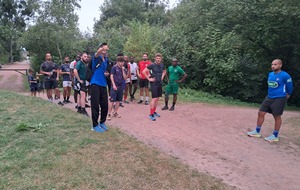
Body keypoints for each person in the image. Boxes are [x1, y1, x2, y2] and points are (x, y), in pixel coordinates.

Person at [247, 59, 293, 142]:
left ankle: (275, 135)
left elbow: (290, 86)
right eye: (272, 64)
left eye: (275, 64)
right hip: (269, 97)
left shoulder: (285, 75)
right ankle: (257, 131)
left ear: (280, 65)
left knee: (276, 116)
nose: (273, 66)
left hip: (279, 98)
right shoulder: (270, 74)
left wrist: (288, 94)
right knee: (261, 112)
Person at [90, 43, 110, 133]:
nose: (105, 50)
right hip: (95, 83)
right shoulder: (96, 57)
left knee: (105, 105)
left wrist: (107, 74)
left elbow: (104, 70)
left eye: (106, 49)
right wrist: (102, 48)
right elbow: (97, 53)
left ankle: (102, 122)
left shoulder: (106, 59)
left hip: (103, 84)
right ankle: (94, 125)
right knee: (95, 105)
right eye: (103, 48)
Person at [142, 53, 166, 121]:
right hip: (154, 84)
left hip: (159, 83)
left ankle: (154, 112)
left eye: (159, 58)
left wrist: (162, 77)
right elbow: (144, 71)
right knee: (154, 99)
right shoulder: (152, 65)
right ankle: (151, 114)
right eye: (157, 58)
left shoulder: (162, 65)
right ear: (155, 59)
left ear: (161, 59)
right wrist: (149, 79)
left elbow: (164, 71)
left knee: (157, 98)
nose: (158, 59)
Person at [107, 55, 127, 120]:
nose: (121, 63)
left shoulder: (123, 68)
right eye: (120, 62)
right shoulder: (114, 68)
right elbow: (111, 76)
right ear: (117, 62)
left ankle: (115, 112)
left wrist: (123, 70)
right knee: (112, 100)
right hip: (115, 86)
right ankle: (109, 113)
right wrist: (113, 85)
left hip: (121, 86)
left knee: (118, 100)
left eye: (122, 62)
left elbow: (125, 78)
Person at [73, 52, 89, 116]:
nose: (86, 58)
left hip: (83, 81)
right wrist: (79, 79)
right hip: (80, 82)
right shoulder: (79, 63)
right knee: (83, 95)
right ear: (81, 57)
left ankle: (79, 108)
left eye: (86, 57)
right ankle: (83, 109)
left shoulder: (84, 64)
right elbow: (75, 70)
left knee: (80, 95)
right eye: (85, 56)